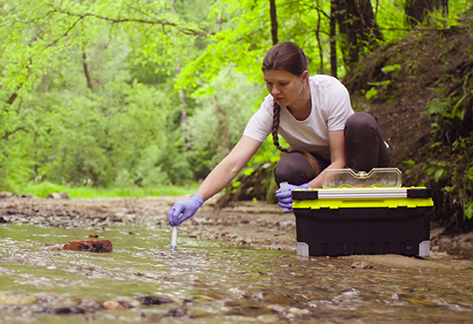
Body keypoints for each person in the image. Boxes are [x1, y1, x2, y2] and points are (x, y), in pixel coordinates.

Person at [167, 41, 390, 226]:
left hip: (361, 162)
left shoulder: (330, 91)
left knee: (361, 123)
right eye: (269, 83)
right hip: (322, 166)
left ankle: (366, 219)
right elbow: (234, 162)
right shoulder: (270, 107)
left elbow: (340, 162)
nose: (275, 91)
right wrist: (197, 198)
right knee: (288, 168)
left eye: (282, 83)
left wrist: (305, 190)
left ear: (304, 78)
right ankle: (320, 228)